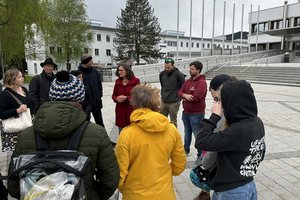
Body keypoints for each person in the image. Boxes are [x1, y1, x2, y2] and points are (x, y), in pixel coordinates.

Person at [8, 70, 120, 200]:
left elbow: (13, 184)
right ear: (80, 97)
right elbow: (110, 179)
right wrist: (93, 194)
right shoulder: (97, 133)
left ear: (52, 96)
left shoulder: (26, 135)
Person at [195, 80, 265, 200]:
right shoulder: (256, 122)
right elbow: (260, 153)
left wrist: (214, 116)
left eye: (222, 101)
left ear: (231, 103)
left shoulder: (237, 130)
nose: (220, 104)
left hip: (231, 192)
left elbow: (201, 141)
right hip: (248, 184)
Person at [115, 84, 186, 200]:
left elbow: (120, 171)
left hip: (135, 194)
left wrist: (124, 188)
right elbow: (180, 164)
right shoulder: (171, 129)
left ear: (134, 104)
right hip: (164, 193)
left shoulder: (126, 134)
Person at [192, 74, 234, 200]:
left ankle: (205, 193)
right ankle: (204, 193)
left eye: (213, 95)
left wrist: (203, 166)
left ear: (217, 91)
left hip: (223, 172)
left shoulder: (224, 113)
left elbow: (207, 144)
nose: (213, 100)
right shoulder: (242, 110)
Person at [0, 68, 34, 152]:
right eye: (19, 77)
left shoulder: (24, 89)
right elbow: (1, 114)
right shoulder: (5, 94)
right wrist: (17, 111)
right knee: (17, 155)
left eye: (22, 76)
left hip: (28, 126)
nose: (23, 78)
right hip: (14, 131)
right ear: (12, 79)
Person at [178, 61, 207, 156]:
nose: (190, 71)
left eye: (192, 69)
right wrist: (185, 95)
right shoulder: (188, 81)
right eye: (190, 68)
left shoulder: (202, 82)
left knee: (197, 134)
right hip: (186, 112)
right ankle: (185, 149)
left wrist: (185, 96)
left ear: (198, 70)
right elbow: (179, 92)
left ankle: (201, 153)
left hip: (196, 114)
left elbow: (196, 97)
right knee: (187, 132)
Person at [112, 63, 140, 132]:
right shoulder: (117, 81)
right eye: (118, 70)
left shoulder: (136, 81)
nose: (119, 72)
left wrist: (126, 98)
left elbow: (138, 96)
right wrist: (117, 99)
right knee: (121, 133)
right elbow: (113, 95)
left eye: (121, 70)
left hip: (132, 110)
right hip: (120, 111)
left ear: (127, 71)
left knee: (133, 133)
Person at [78, 54, 104, 127]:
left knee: (100, 124)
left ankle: (103, 137)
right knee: (85, 125)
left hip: (96, 102)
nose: (92, 62)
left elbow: (99, 84)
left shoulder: (94, 71)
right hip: (85, 105)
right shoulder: (78, 73)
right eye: (91, 60)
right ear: (86, 62)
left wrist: (99, 95)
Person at [159, 58, 185, 127]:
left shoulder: (179, 75)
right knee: (161, 120)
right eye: (165, 67)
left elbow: (183, 87)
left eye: (168, 67)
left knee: (173, 122)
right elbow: (163, 86)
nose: (166, 69)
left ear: (173, 66)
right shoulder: (162, 74)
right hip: (164, 101)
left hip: (174, 102)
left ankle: (173, 136)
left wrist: (179, 98)